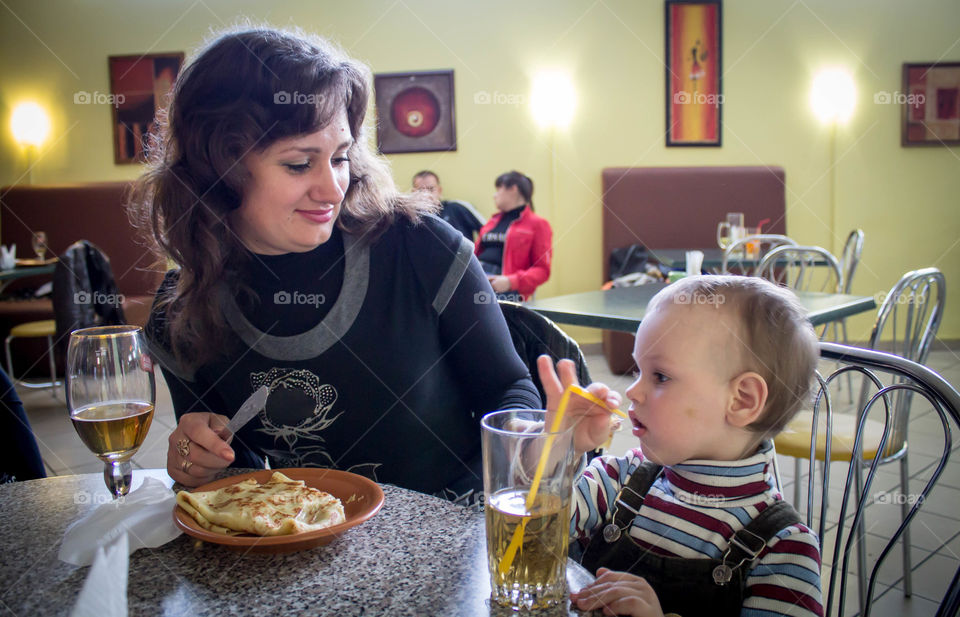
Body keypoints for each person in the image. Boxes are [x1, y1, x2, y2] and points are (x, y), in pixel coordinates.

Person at [128, 27, 540, 501]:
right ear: (218, 170)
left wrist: (530, 447)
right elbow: (237, 474)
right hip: (300, 550)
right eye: (300, 164)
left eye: (340, 158)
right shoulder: (180, 310)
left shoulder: (420, 249)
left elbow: (509, 389)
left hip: (450, 539)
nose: (331, 189)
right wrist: (196, 460)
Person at [538, 275, 823, 617]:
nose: (633, 391)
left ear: (742, 399)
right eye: (638, 370)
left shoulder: (782, 548)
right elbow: (533, 534)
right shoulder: (618, 480)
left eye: (660, 376)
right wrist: (558, 445)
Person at [475, 171, 552, 302]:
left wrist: (511, 282)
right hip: (477, 276)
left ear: (513, 189)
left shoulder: (538, 224)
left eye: (498, 190)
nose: (494, 195)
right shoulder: (492, 221)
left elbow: (542, 271)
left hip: (504, 288)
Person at [411, 170, 485, 241]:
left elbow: (488, 230)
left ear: (439, 190)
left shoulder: (458, 207)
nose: (426, 194)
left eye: (431, 189)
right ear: (413, 193)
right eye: (420, 190)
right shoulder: (409, 218)